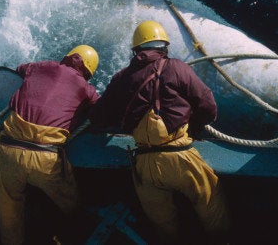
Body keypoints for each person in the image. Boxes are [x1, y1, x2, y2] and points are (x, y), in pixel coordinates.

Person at [89, 21, 229, 244]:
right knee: (210, 204)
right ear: (164, 47)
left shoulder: (120, 79)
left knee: (163, 223)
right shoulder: (176, 67)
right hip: (182, 157)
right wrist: (195, 127)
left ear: (136, 51)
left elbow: (98, 118)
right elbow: (208, 105)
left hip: (145, 164)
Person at [0, 45, 100, 245]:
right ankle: (76, 234)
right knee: (72, 205)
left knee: (8, 214)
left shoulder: (40, 66)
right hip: (46, 160)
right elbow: (100, 110)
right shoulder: (86, 88)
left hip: (8, 151)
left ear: (66, 58)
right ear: (88, 72)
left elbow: (20, 69)